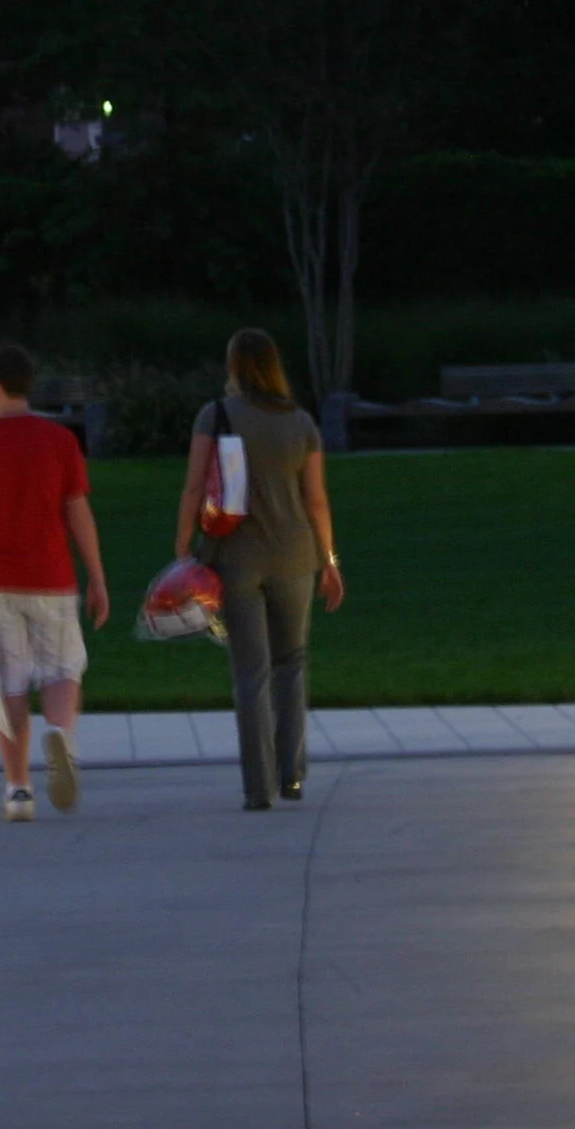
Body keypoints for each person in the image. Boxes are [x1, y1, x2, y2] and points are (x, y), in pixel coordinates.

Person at [173, 328, 344, 811]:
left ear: (233, 366)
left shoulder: (216, 415)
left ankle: (257, 788)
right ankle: (292, 776)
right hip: (295, 557)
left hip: (235, 557)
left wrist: (184, 544)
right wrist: (329, 561)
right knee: (292, 665)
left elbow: (192, 487)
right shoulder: (301, 422)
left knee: (251, 673)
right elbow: (316, 500)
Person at [0, 343, 108, 822]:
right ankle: (61, 737)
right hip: (53, 577)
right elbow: (78, 511)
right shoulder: (59, 442)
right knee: (61, 670)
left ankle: (18, 788)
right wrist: (96, 576)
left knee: (8, 683)